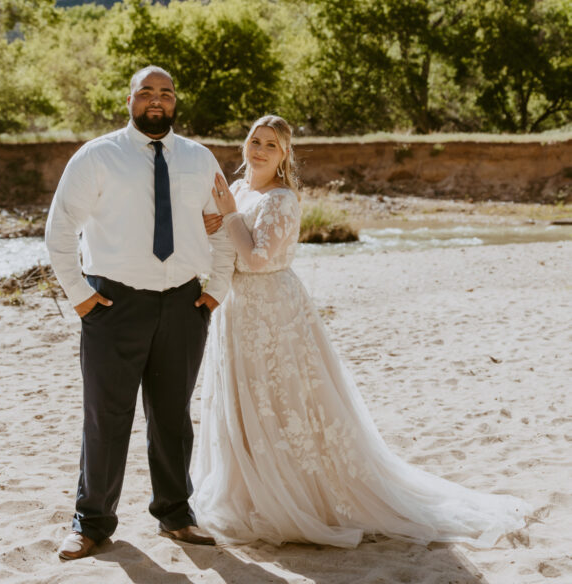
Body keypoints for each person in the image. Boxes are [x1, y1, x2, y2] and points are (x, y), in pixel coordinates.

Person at [194, 114, 531, 548]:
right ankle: (250, 492)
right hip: (236, 312)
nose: (258, 149)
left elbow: (258, 259)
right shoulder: (237, 190)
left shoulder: (281, 199)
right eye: (254, 140)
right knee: (243, 403)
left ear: (284, 156)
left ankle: (301, 496)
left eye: (271, 145)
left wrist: (229, 217)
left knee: (283, 401)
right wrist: (216, 224)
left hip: (273, 312)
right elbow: (225, 244)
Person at [45, 65, 235, 560]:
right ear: (129, 99)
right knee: (106, 417)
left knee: (173, 417)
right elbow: (60, 228)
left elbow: (220, 228)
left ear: (176, 101)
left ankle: (175, 515)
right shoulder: (97, 156)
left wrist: (215, 291)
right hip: (114, 304)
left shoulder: (199, 158)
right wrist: (80, 295)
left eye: (165, 93)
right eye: (147, 92)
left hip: (184, 304)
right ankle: (92, 523)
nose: (157, 100)